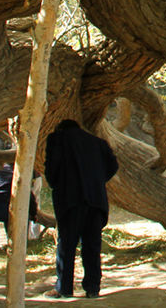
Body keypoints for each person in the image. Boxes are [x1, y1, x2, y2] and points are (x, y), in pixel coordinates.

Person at [43, 119, 119, 299]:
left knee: (66, 245)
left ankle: (64, 288)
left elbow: (52, 169)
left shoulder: (57, 139)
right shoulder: (98, 142)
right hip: (96, 200)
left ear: (60, 128)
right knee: (92, 245)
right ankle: (93, 288)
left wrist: (57, 183)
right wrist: (97, 180)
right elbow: (113, 166)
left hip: (70, 200)